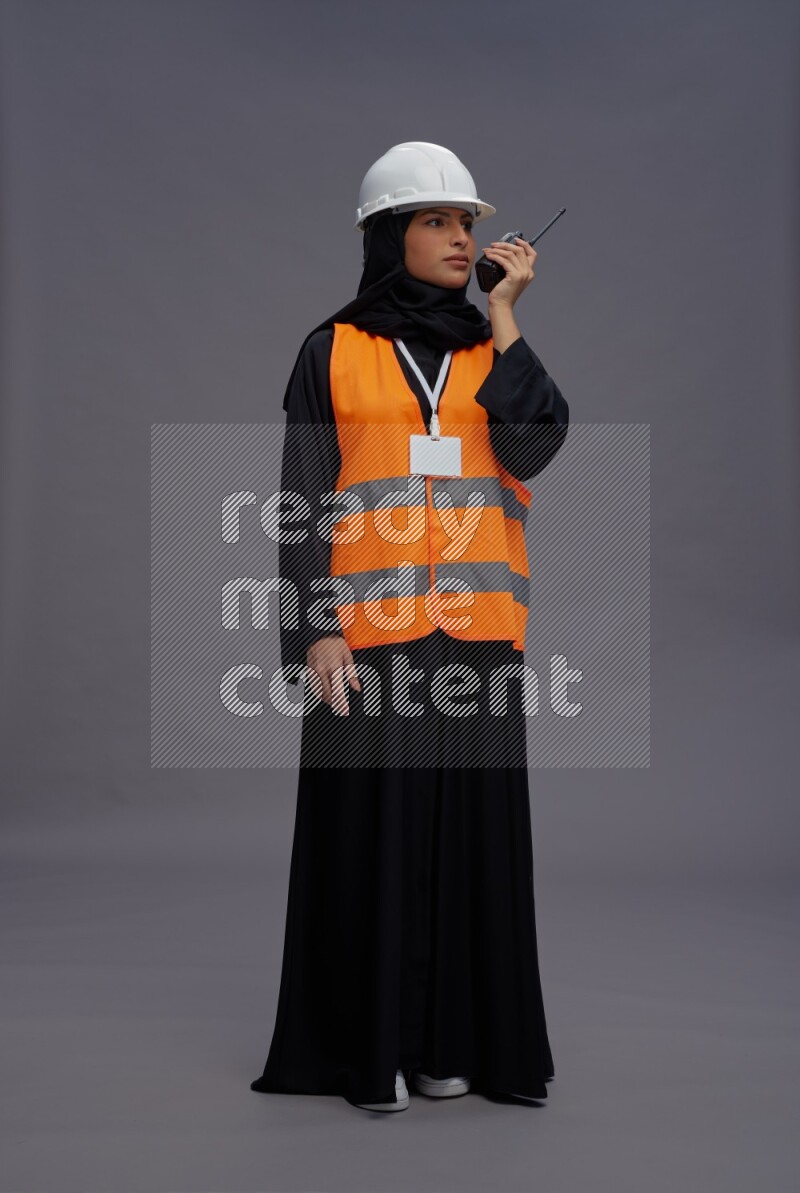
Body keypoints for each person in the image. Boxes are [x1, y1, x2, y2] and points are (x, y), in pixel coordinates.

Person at [250, 142, 569, 1112]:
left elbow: (535, 439)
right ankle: (366, 1049)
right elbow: (301, 498)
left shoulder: (488, 350)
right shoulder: (330, 350)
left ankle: (450, 1045)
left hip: (477, 633)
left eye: (465, 223)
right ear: (389, 236)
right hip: (368, 631)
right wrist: (313, 628)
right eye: (435, 220)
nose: (459, 237)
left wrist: (505, 310)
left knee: (471, 839)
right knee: (369, 836)